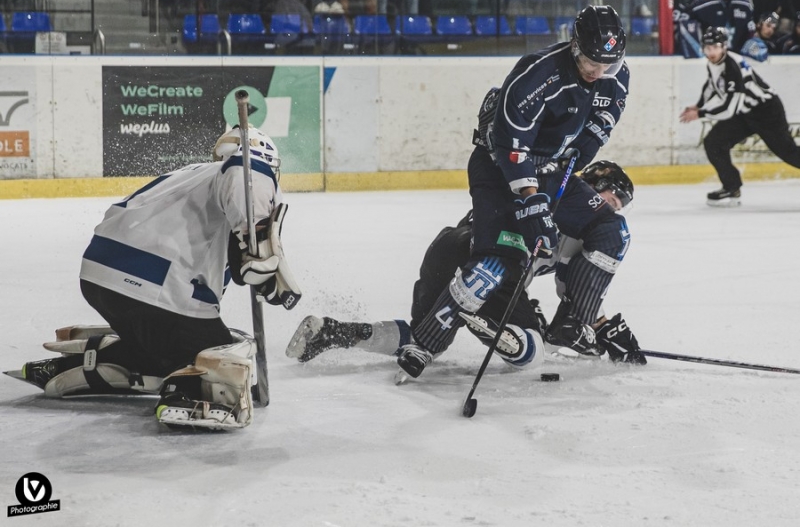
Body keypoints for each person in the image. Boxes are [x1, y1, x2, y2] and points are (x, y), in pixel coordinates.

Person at [12, 125, 301, 430]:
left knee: (174, 341)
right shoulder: (246, 171)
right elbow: (247, 172)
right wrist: (255, 232)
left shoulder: (195, 175)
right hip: (154, 281)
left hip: (103, 276)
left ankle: (99, 362)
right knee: (219, 349)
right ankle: (187, 392)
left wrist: (263, 266)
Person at [286, 161, 647, 371]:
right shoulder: (582, 216)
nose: (611, 210)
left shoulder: (543, 188)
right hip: (493, 268)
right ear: (593, 187)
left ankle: (334, 332)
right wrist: (596, 326)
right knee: (531, 349)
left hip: (448, 248)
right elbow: (575, 291)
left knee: (424, 337)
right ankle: (492, 323)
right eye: (611, 200)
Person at [679, 27, 800, 206]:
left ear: (724, 47)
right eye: (707, 48)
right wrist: (699, 104)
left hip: (767, 112)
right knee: (714, 143)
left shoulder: (732, 67)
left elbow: (729, 108)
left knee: (789, 153)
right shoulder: (715, 62)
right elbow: (711, 84)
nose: (711, 52)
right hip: (746, 112)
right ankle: (731, 187)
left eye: (715, 47)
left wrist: (701, 113)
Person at [689, 0, 755, 53]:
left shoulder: (745, 3)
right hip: (710, 53)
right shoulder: (702, 2)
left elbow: (751, 27)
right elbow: (688, 21)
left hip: (738, 52)